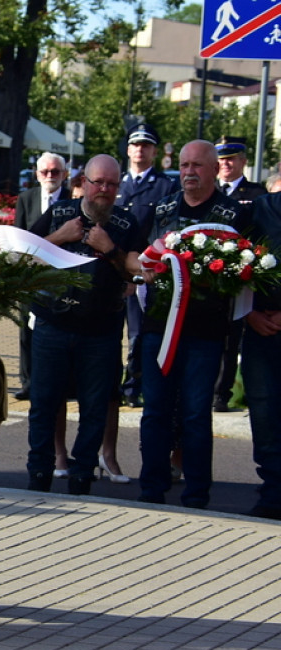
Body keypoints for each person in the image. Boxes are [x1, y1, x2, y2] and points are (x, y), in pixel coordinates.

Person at [26, 154, 144, 496]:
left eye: (111, 184)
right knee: (44, 403)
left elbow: (136, 271)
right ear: (83, 183)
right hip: (53, 324)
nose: (103, 190)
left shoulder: (125, 223)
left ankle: (81, 476)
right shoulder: (60, 213)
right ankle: (39, 474)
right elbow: (23, 256)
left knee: (94, 408)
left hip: (102, 331)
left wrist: (110, 250)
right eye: (97, 183)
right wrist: (61, 236)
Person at [138, 140, 247, 509]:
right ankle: (151, 488)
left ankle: (197, 493)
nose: (188, 172)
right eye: (184, 165)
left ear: (215, 169)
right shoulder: (163, 209)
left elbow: (245, 268)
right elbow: (137, 256)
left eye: (197, 166)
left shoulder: (233, 214)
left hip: (205, 331)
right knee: (155, 410)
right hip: (159, 329)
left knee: (196, 414)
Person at [116, 123, 179, 410]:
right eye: (135, 145)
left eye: (146, 145)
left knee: (138, 333)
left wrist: (141, 270)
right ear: (128, 150)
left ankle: (133, 385)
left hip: (146, 272)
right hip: (113, 269)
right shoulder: (116, 182)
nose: (140, 150)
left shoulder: (166, 186)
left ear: (154, 151)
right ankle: (112, 383)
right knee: (109, 331)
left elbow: (164, 232)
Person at [213, 136, 266, 412]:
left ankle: (223, 392)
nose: (225, 164)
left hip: (236, 276)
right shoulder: (210, 191)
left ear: (243, 162)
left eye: (231, 159)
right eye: (221, 159)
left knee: (231, 336)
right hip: (206, 277)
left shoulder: (256, 195)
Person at [13, 152, 68, 401]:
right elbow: (19, 236)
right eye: (45, 172)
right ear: (37, 174)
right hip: (31, 274)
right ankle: (28, 382)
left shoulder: (72, 200)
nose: (50, 176)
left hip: (63, 275)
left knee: (59, 330)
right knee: (26, 329)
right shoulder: (26, 199)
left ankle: (60, 383)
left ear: (64, 175)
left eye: (55, 172)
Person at [242, 192, 281, 520]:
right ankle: (272, 492)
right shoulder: (259, 209)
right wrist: (249, 313)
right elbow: (234, 265)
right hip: (259, 327)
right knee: (264, 411)